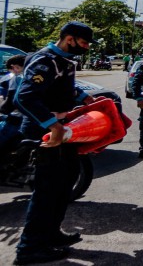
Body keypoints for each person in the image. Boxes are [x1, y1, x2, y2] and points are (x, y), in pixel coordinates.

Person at [13, 21, 99, 265]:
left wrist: (84, 97)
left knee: (67, 179)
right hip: (45, 132)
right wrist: (53, 125)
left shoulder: (63, 61)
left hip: (64, 130)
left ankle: (51, 234)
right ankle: (29, 248)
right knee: (47, 189)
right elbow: (25, 97)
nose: (86, 48)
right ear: (69, 39)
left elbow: (63, 87)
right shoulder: (45, 60)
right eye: (83, 43)